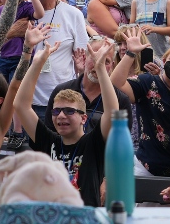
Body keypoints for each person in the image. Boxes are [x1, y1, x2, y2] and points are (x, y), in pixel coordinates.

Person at [13, 25, 118, 207]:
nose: (61, 115)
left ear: (84, 118)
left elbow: (113, 113)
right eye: (56, 111)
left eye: (69, 111)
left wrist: (100, 68)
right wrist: (38, 62)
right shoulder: (48, 140)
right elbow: (20, 105)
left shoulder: (93, 143)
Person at [109, 28, 170, 179]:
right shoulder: (148, 82)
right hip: (146, 167)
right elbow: (116, 84)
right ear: (163, 60)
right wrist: (131, 53)